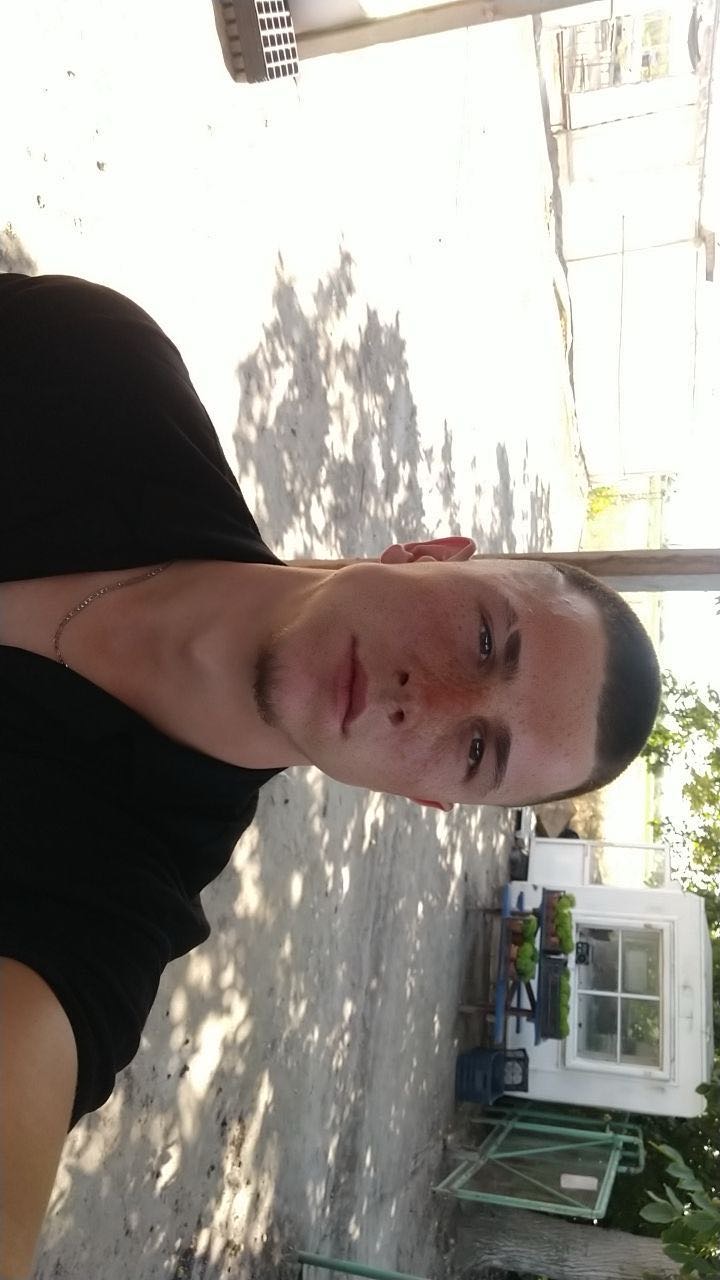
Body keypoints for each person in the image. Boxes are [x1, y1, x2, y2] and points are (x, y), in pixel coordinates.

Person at [0, 273, 661, 1277]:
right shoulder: (100, 371)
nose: (422, 698)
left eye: (474, 751)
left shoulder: (105, 904)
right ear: (430, 552)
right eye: (486, 638)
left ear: (431, 798)